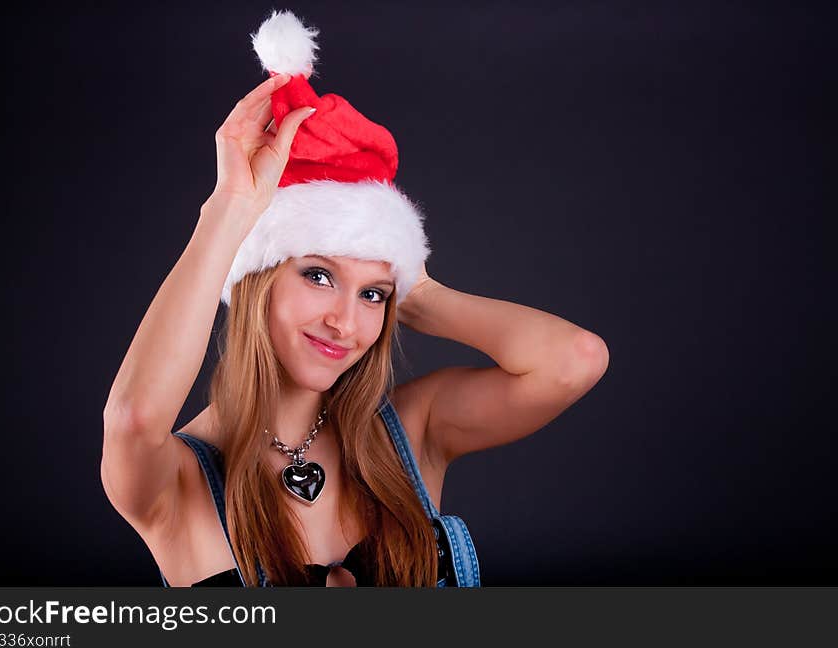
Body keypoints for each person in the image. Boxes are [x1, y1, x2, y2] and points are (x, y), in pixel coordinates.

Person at [100, 9, 609, 587]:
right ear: (256, 278)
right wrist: (230, 212)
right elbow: (134, 419)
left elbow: (576, 360)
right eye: (318, 275)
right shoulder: (179, 480)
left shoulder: (410, 434)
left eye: (371, 294)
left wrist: (419, 296)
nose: (345, 321)